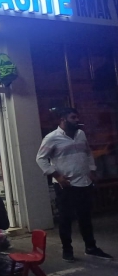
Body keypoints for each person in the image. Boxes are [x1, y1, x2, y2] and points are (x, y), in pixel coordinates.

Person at [36, 108, 112, 262]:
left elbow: (88, 152)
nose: (77, 120)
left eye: (77, 117)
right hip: (66, 185)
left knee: (85, 216)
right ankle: (67, 250)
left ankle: (91, 247)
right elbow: (40, 158)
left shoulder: (80, 134)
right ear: (63, 119)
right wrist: (57, 176)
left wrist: (92, 170)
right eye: (73, 117)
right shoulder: (52, 138)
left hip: (84, 182)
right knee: (66, 218)